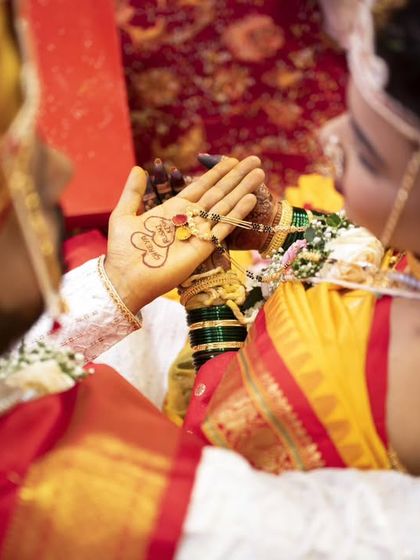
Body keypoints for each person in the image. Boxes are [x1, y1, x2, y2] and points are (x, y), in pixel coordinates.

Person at [1, 2, 420, 559]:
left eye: (364, 154)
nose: (328, 143)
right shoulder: (58, 485)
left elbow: (233, 429)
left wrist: (167, 292)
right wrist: (264, 245)